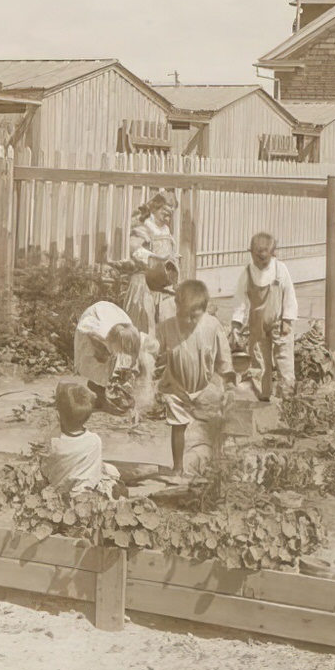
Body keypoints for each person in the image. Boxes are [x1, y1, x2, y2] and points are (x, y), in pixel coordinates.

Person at [156, 279, 236, 475]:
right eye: (184, 316)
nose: (189, 321)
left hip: (205, 386)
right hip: (176, 385)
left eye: (194, 316)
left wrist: (227, 380)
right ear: (177, 308)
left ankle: (216, 462)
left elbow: (223, 357)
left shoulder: (212, 326)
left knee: (213, 425)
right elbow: (153, 349)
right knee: (178, 426)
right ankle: (178, 467)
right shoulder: (167, 327)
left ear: (204, 310)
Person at [230, 233, 299, 402]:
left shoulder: (279, 269)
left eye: (264, 260)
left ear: (273, 254)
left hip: (278, 321)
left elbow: (289, 294)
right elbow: (240, 299)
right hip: (257, 324)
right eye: (257, 259)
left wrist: (288, 319)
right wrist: (236, 324)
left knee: (284, 358)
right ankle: (263, 395)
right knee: (259, 359)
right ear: (251, 253)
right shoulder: (247, 272)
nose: (260, 264)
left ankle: (288, 396)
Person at [42, 381, 124, 498]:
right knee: (112, 472)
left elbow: (46, 469)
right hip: (85, 493)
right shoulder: (94, 441)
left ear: (58, 415)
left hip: (60, 490)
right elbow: (94, 474)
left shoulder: (53, 439)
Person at [73, 300, 148, 414]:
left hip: (112, 316)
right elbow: (84, 329)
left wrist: (136, 371)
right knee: (102, 360)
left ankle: (103, 389)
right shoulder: (100, 333)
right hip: (95, 318)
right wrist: (99, 350)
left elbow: (135, 353)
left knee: (113, 360)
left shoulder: (131, 334)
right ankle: (100, 391)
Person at [123, 191, 180, 335]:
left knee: (166, 324)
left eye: (170, 215)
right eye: (165, 213)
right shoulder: (143, 229)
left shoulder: (166, 231)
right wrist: (157, 260)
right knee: (145, 326)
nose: (168, 218)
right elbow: (136, 251)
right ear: (155, 209)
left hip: (163, 285)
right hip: (145, 285)